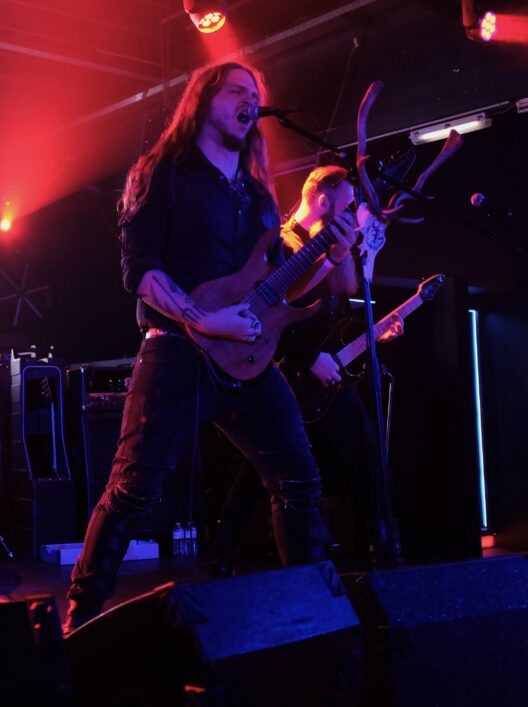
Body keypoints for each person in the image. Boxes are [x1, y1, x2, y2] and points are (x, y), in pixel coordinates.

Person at [63, 62, 359, 635]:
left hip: (249, 358)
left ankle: (315, 619)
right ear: (204, 100)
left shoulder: (258, 194)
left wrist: (333, 254)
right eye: (238, 91)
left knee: (299, 480)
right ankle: (80, 618)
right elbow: (140, 271)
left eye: (255, 94)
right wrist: (205, 319)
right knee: (134, 489)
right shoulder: (163, 173)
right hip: (179, 348)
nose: (250, 101)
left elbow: (281, 285)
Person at [211, 165, 403, 575]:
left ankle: (384, 554)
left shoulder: (332, 247)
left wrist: (373, 336)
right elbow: (266, 318)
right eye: (347, 204)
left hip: (327, 378)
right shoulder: (282, 244)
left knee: (369, 458)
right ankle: (222, 559)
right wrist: (308, 358)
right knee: (260, 471)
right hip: (286, 373)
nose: (352, 213)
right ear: (323, 200)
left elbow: (333, 315)